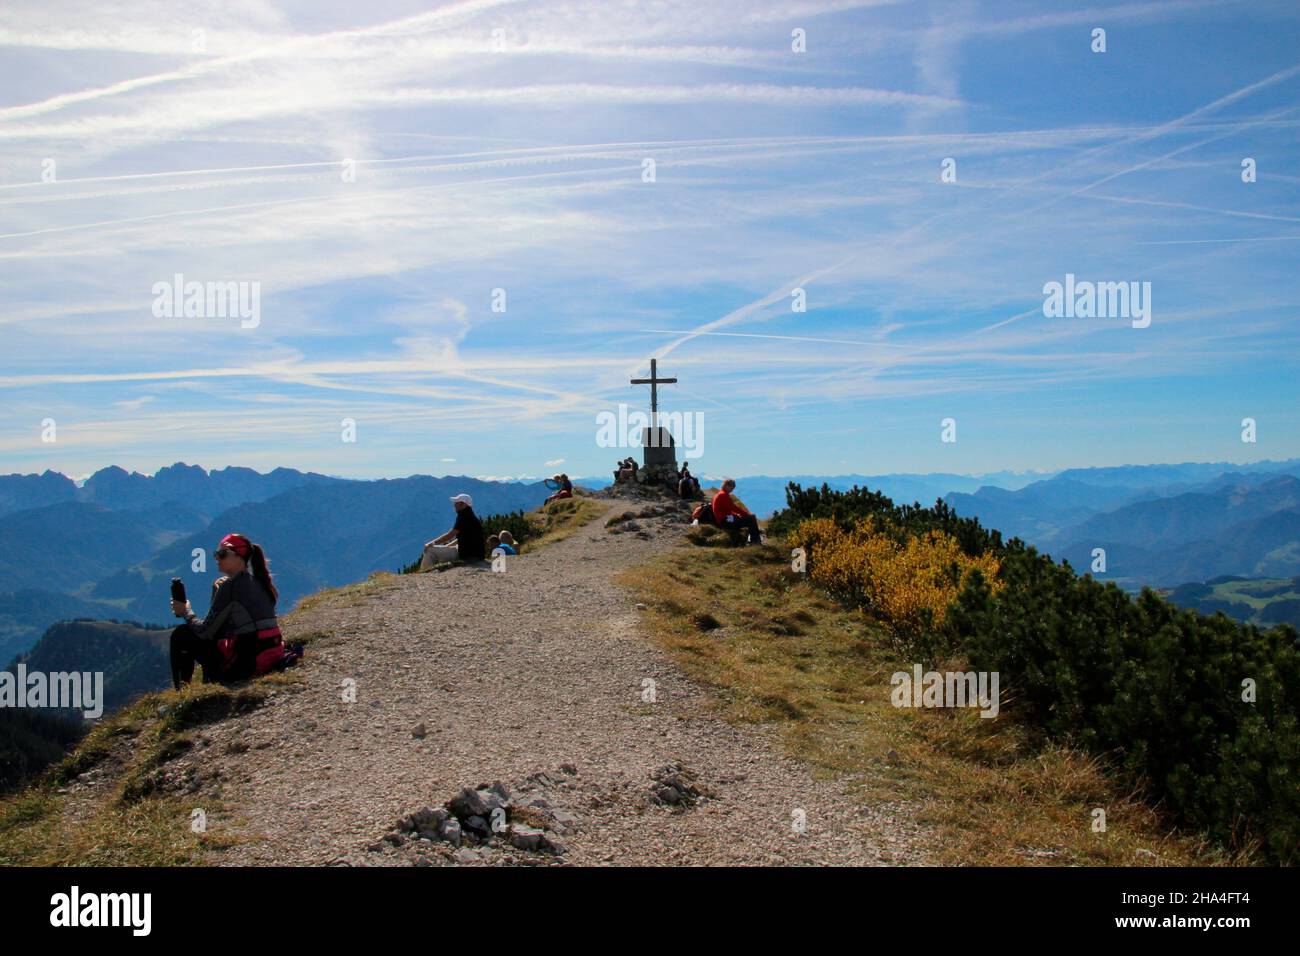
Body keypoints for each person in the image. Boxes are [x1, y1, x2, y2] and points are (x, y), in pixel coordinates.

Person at [170, 533, 285, 689]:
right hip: (271, 655)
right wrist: (216, 591)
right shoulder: (259, 582)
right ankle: (207, 681)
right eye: (216, 554)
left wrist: (185, 610)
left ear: (239, 557)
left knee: (182, 634)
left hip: (246, 667)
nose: (217, 558)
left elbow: (205, 632)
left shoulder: (231, 587)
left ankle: (182, 692)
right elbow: (223, 628)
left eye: (222, 554)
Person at [421, 494, 486, 568]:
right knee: (440, 549)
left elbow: (450, 535)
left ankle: (424, 572)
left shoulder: (463, 516)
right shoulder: (472, 517)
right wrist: (447, 546)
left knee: (430, 550)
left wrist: (431, 543)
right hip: (476, 555)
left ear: (463, 504)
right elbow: (464, 538)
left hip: (465, 555)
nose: (454, 505)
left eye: (456, 502)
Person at [711, 478, 763, 545]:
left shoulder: (719, 494)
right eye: (731, 487)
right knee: (751, 519)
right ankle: (755, 541)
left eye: (733, 488)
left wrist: (736, 515)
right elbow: (733, 507)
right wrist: (746, 514)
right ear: (726, 486)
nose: (732, 490)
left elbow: (728, 509)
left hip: (724, 519)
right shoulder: (723, 495)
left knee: (750, 518)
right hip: (726, 521)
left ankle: (754, 540)